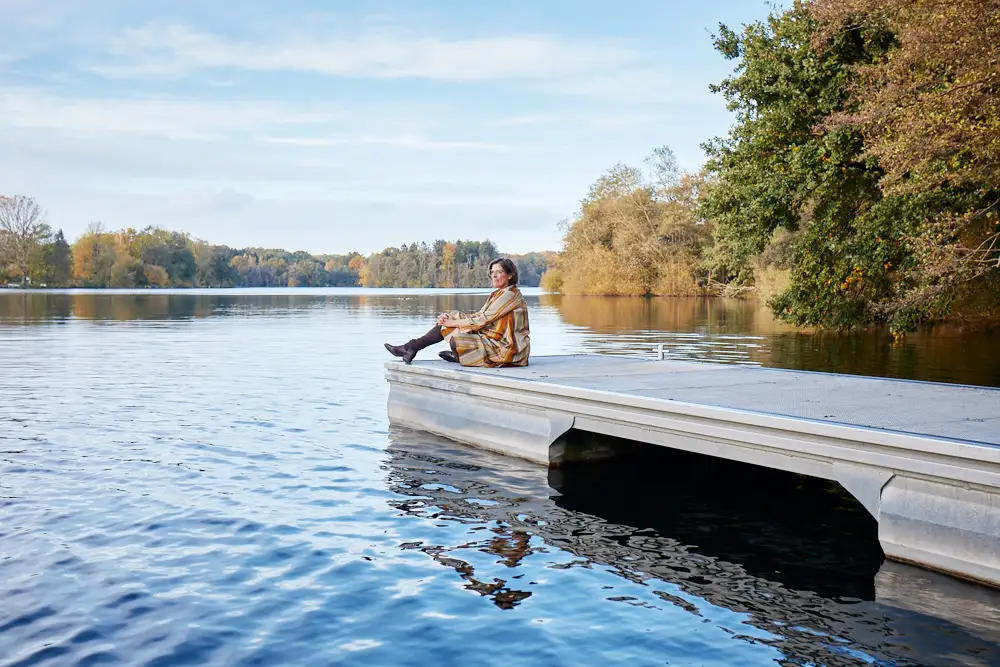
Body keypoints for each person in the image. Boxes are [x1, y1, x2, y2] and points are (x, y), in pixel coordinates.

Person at [383, 257, 530, 367]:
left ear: (510, 275)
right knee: (452, 318)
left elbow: (482, 320)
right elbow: (478, 316)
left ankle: (454, 354)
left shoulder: (510, 295)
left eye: (499, 272)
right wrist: (449, 318)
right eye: (492, 273)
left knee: (455, 334)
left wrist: (452, 323)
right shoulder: (498, 294)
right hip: (493, 341)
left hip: (507, 350)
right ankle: (412, 348)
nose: (494, 276)